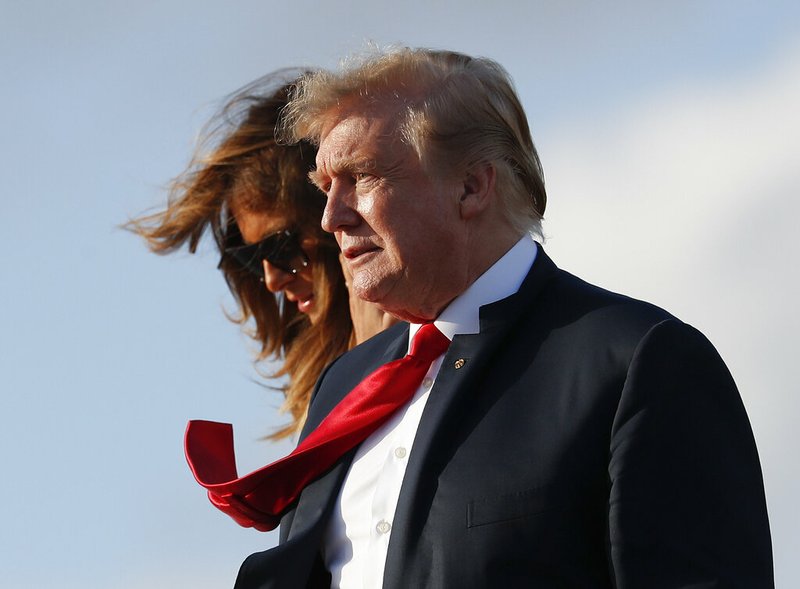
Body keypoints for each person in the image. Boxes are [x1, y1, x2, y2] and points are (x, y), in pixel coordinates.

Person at [207, 49, 773, 588]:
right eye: (326, 188)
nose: (331, 217)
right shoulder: (344, 385)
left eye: (361, 177)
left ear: (472, 186)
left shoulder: (640, 362)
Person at [128, 69, 393, 440]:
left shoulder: (439, 335)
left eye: (280, 248)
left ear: (337, 217)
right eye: (251, 259)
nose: (271, 279)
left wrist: (373, 361)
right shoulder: (321, 382)